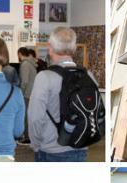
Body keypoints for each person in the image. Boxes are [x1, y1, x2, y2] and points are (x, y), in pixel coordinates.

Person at [29, 27, 95, 162]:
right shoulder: (88, 75)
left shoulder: (44, 77)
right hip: (80, 148)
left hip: (51, 150)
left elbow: (35, 117)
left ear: (50, 48)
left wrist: (35, 144)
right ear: (75, 48)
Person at [17, 47, 37, 144]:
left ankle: (26, 137)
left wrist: (20, 93)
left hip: (27, 94)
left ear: (20, 54)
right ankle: (29, 136)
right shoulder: (32, 63)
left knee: (25, 116)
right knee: (29, 116)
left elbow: (24, 81)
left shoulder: (25, 64)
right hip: (32, 93)